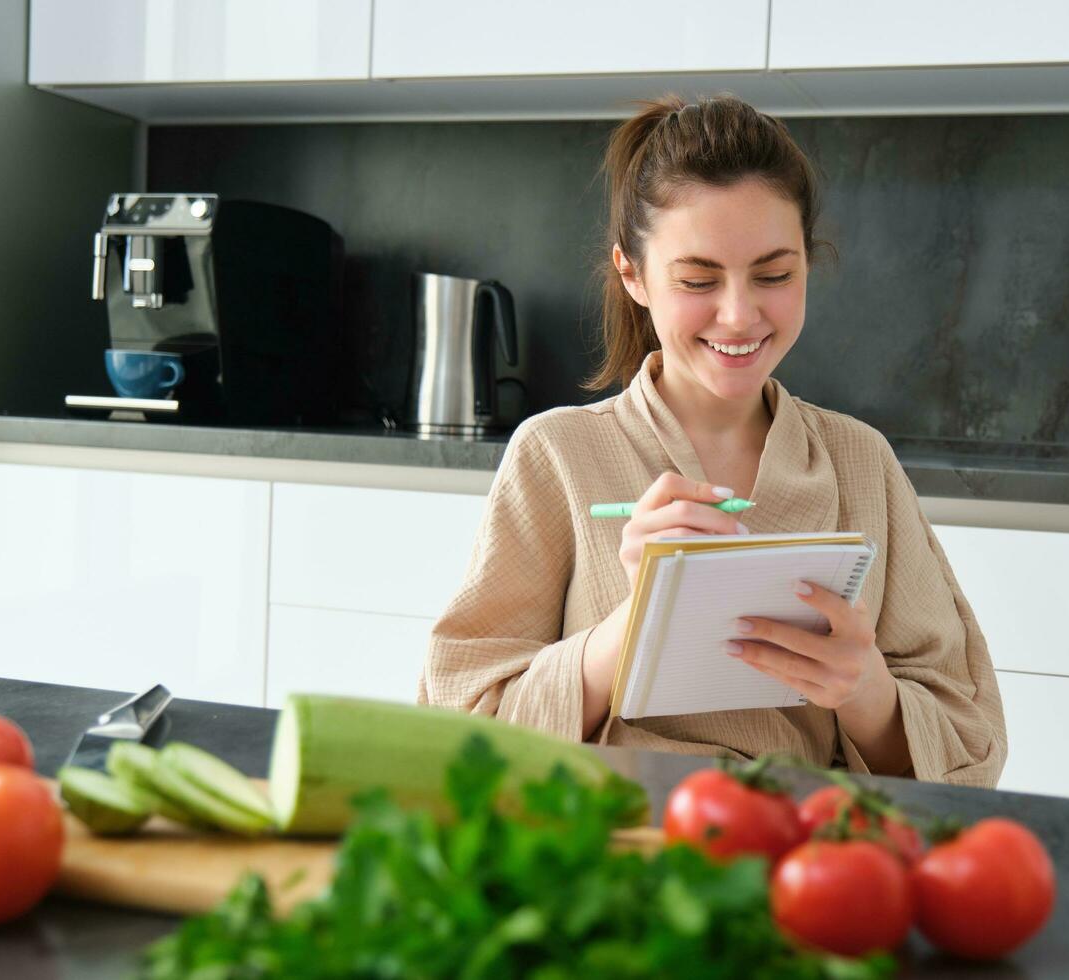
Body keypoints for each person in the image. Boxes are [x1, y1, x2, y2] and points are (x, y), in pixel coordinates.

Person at [420, 94, 1005, 785]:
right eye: (699, 279)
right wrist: (632, 623)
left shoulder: (860, 462)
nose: (739, 314)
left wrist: (863, 689)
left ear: (808, 267)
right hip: (608, 845)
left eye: (774, 275)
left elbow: (971, 746)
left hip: (803, 854)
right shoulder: (557, 455)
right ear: (632, 275)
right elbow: (460, 734)